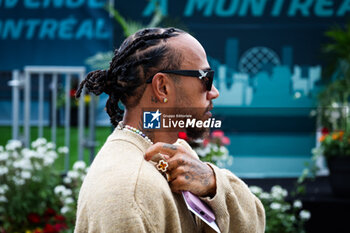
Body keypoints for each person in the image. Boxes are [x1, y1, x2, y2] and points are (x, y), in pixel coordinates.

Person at [74, 27, 265, 233]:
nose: (214, 92)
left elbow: (255, 224)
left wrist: (213, 183)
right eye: (205, 78)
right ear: (163, 87)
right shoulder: (130, 190)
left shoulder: (173, 151)